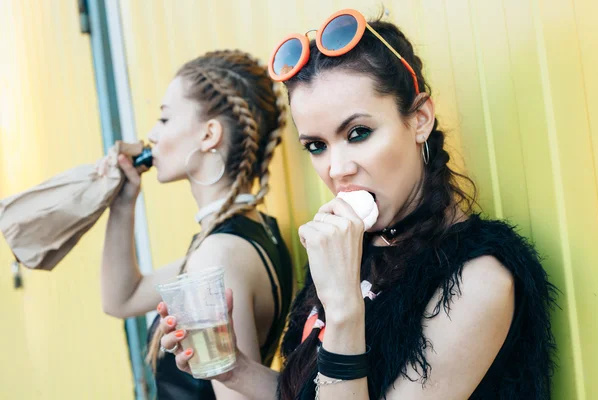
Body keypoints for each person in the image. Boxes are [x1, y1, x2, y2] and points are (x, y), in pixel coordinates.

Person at [158, 9, 556, 400]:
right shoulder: (356, 246)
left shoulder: (478, 279)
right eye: (316, 146)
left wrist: (344, 308)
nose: (337, 169)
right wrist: (235, 369)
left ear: (419, 120)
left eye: (359, 132)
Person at [101, 49, 293, 400]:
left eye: (164, 119)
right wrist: (124, 202)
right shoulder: (251, 230)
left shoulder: (218, 255)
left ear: (209, 135)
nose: (151, 135)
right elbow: (122, 298)